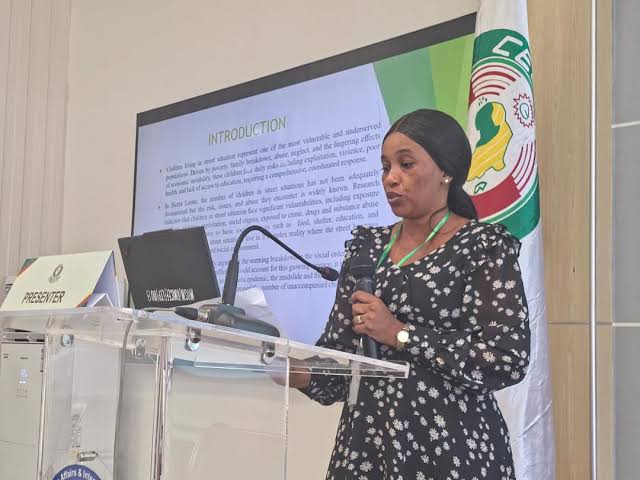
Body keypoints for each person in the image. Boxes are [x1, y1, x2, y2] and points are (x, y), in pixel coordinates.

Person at [290, 109, 530, 480]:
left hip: (453, 450)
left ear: (446, 171)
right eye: (385, 167)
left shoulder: (483, 247)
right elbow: (339, 366)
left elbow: (506, 359)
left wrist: (401, 334)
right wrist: (294, 371)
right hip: (367, 450)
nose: (391, 178)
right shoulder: (366, 248)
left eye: (406, 164)